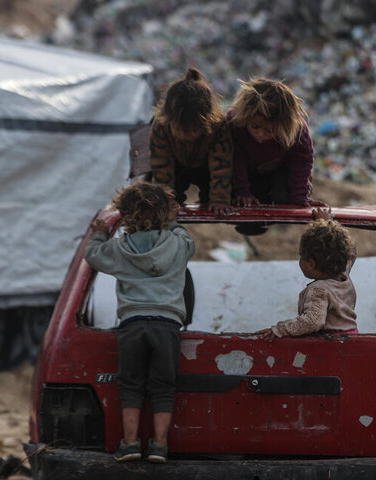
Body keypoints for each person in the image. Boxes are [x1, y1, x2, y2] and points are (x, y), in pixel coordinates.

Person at [84, 182, 195, 463]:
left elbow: (93, 256)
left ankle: (131, 443)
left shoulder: (118, 249)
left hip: (132, 324)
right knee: (163, 386)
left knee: (131, 385)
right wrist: (172, 220)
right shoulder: (178, 243)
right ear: (164, 214)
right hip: (167, 325)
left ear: (126, 217)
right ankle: (159, 445)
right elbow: (186, 238)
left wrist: (98, 234)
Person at [256, 208, 357, 339]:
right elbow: (350, 251)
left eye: (301, 256)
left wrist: (280, 330)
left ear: (311, 263)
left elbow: (312, 322)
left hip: (331, 344)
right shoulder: (344, 274)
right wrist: (327, 223)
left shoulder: (319, 290)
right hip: (352, 338)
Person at [150, 67, 233, 216]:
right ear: (170, 119)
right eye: (179, 128)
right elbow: (161, 166)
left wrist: (220, 198)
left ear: (205, 122)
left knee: (213, 201)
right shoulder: (161, 125)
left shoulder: (217, 126)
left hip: (205, 167)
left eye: (193, 129)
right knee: (162, 200)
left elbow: (222, 165)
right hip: (176, 168)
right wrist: (166, 199)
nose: (185, 135)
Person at [227, 77, 315, 206]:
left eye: (269, 131)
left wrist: (300, 195)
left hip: (278, 171)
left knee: (283, 196)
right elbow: (235, 159)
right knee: (239, 200)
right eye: (255, 127)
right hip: (245, 172)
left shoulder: (296, 129)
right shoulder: (236, 121)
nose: (260, 135)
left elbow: (301, 162)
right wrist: (242, 192)